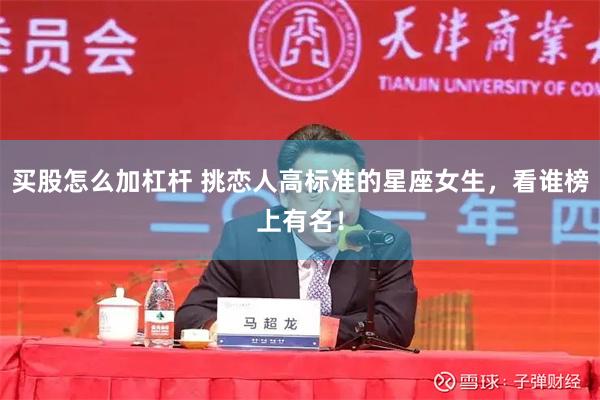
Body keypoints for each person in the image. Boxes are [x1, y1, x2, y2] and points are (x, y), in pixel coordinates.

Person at [175, 124, 417, 347]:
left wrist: (306, 329)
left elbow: (395, 327)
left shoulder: (385, 242)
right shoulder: (246, 238)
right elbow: (193, 315)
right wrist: (220, 328)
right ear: (285, 194)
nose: (332, 205)